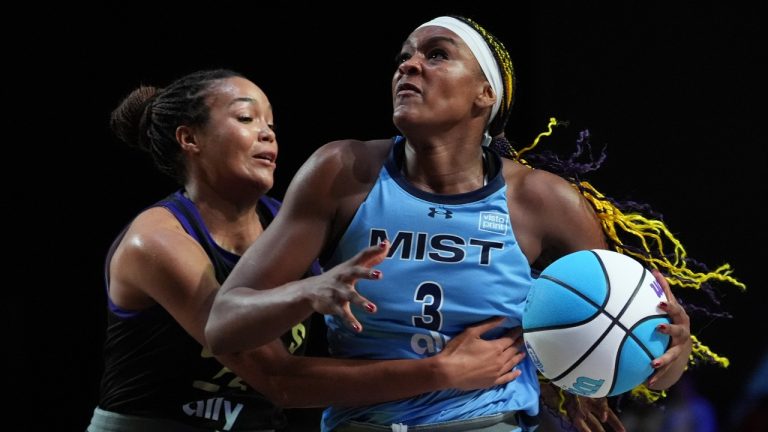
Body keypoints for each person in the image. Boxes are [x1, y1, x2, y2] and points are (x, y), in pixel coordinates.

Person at [206, 16, 695, 432]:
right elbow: (224, 323)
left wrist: (670, 356)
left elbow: (626, 347)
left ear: (486, 94)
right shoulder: (340, 172)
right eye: (404, 56)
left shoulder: (544, 201)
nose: (409, 65)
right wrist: (308, 291)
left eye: (437, 54)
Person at [88, 68, 531, 432]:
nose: (267, 134)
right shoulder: (157, 242)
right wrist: (440, 372)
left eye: (271, 124)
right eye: (246, 119)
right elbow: (277, 378)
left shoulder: (284, 223)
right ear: (190, 139)